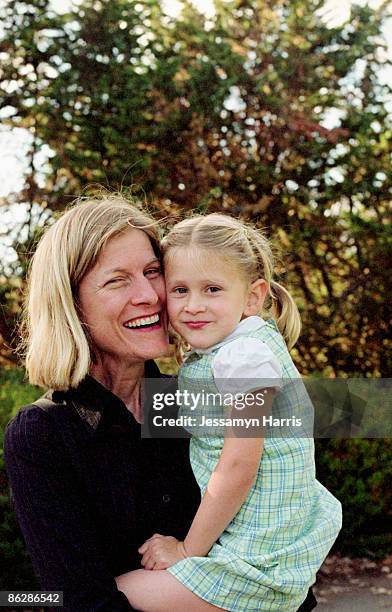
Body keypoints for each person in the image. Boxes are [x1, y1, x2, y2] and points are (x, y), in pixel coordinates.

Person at [4, 195, 317, 612]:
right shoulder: (43, 433)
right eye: (117, 280)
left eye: (153, 272)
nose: (150, 295)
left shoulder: (201, 396)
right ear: (72, 305)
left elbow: (279, 542)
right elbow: (76, 600)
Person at [115, 214, 341, 611]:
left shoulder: (244, 356)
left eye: (213, 289)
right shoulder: (228, 349)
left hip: (258, 555)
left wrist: (188, 550)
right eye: (180, 289)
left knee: (110, 595)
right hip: (255, 538)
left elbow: (239, 464)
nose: (193, 306)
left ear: (253, 297)